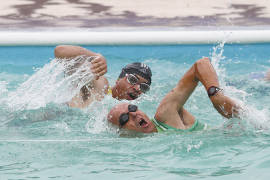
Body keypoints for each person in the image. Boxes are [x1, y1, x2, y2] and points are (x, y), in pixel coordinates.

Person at [107, 57, 241, 133]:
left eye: (132, 108)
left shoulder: (165, 114)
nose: (134, 114)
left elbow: (201, 64)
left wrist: (216, 95)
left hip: (238, 131)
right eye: (124, 118)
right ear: (122, 134)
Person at [54, 45, 152, 108]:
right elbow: (59, 51)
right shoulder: (99, 86)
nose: (137, 88)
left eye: (144, 87)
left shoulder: (132, 112)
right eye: (132, 79)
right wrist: (94, 56)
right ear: (119, 79)